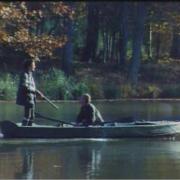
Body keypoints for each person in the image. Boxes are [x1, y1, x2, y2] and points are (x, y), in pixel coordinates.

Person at [16, 58, 42, 126]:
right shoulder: (24, 74)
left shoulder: (30, 74)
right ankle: (23, 130)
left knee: (32, 116)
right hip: (27, 98)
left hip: (31, 98)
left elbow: (31, 86)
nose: (35, 66)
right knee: (27, 116)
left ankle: (30, 130)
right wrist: (36, 91)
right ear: (29, 66)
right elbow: (25, 86)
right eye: (33, 65)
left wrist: (37, 92)